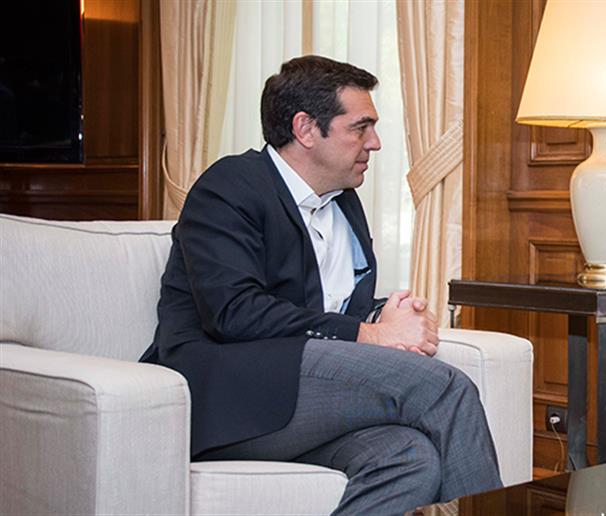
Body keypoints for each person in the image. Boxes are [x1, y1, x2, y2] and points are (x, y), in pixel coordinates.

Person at [139, 55, 501, 514]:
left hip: (300, 397)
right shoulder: (229, 186)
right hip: (231, 397)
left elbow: (323, 301)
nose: (375, 143)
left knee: (409, 457)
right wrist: (369, 334)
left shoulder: (343, 200)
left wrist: (384, 313)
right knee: (444, 387)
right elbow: (234, 312)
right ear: (306, 128)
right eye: (360, 128)